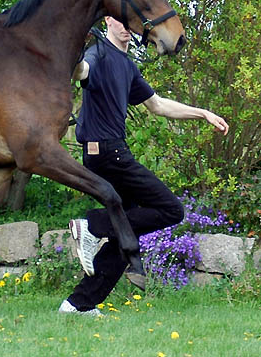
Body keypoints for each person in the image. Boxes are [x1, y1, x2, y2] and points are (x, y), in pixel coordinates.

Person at [58, 16, 229, 316]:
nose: (126, 26)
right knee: (171, 209)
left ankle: (78, 305)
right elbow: (80, 72)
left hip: (111, 154)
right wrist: (72, 52)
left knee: (128, 232)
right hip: (107, 154)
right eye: (120, 21)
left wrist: (202, 113)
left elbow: (158, 105)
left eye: (129, 23)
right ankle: (92, 225)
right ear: (109, 20)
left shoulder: (126, 65)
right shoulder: (97, 54)